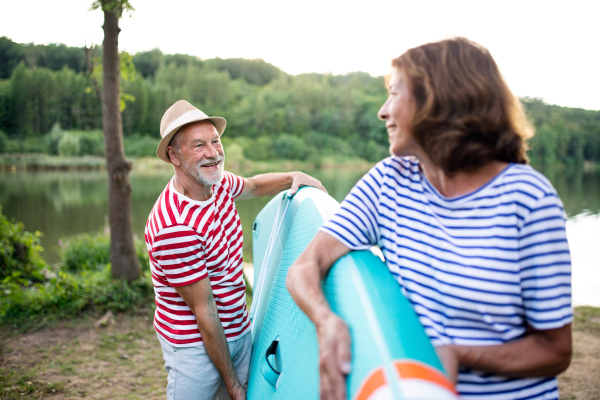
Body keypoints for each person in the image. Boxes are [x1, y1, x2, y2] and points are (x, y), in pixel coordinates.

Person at [287, 37, 572, 400]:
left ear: (438, 100)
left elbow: (556, 350)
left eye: (394, 94)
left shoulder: (529, 198)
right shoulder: (390, 180)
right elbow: (305, 266)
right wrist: (326, 322)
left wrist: (460, 354)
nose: (382, 111)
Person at [146, 100, 326, 400]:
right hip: (193, 346)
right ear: (173, 156)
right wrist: (231, 382)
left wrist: (294, 177)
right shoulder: (173, 226)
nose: (213, 153)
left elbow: (254, 186)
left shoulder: (217, 184)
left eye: (215, 141)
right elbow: (204, 311)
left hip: (236, 325)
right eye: (198, 145)